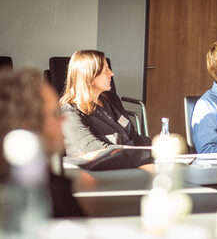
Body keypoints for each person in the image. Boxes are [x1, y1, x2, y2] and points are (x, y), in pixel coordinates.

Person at [0, 68, 84, 217]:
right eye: (56, 113)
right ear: (27, 126)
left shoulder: (50, 183)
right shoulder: (26, 198)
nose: (64, 119)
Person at [60, 50, 153, 170]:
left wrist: (158, 147)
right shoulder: (69, 113)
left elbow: (133, 136)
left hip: (131, 164)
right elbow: (96, 149)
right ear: (90, 76)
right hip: (102, 171)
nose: (112, 73)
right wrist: (143, 157)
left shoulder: (111, 100)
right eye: (106, 70)